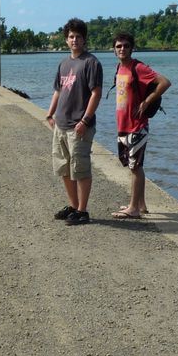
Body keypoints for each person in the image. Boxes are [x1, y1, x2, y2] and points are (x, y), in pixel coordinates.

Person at [46, 18, 103, 226]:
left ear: (84, 39)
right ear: (66, 39)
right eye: (71, 36)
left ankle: (82, 210)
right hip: (61, 124)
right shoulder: (64, 63)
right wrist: (50, 114)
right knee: (65, 168)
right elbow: (58, 91)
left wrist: (85, 120)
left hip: (79, 125)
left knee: (80, 169)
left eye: (78, 36)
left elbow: (96, 93)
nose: (75, 40)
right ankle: (73, 205)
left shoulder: (91, 62)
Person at [111, 31, 171, 219]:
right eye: (119, 46)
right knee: (132, 165)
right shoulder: (120, 68)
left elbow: (165, 82)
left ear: (132, 48)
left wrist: (147, 101)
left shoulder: (139, 68)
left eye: (126, 46)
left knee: (135, 166)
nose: (122, 49)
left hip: (137, 125)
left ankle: (133, 209)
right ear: (114, 49)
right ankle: (141, 205)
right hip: (123, 124)